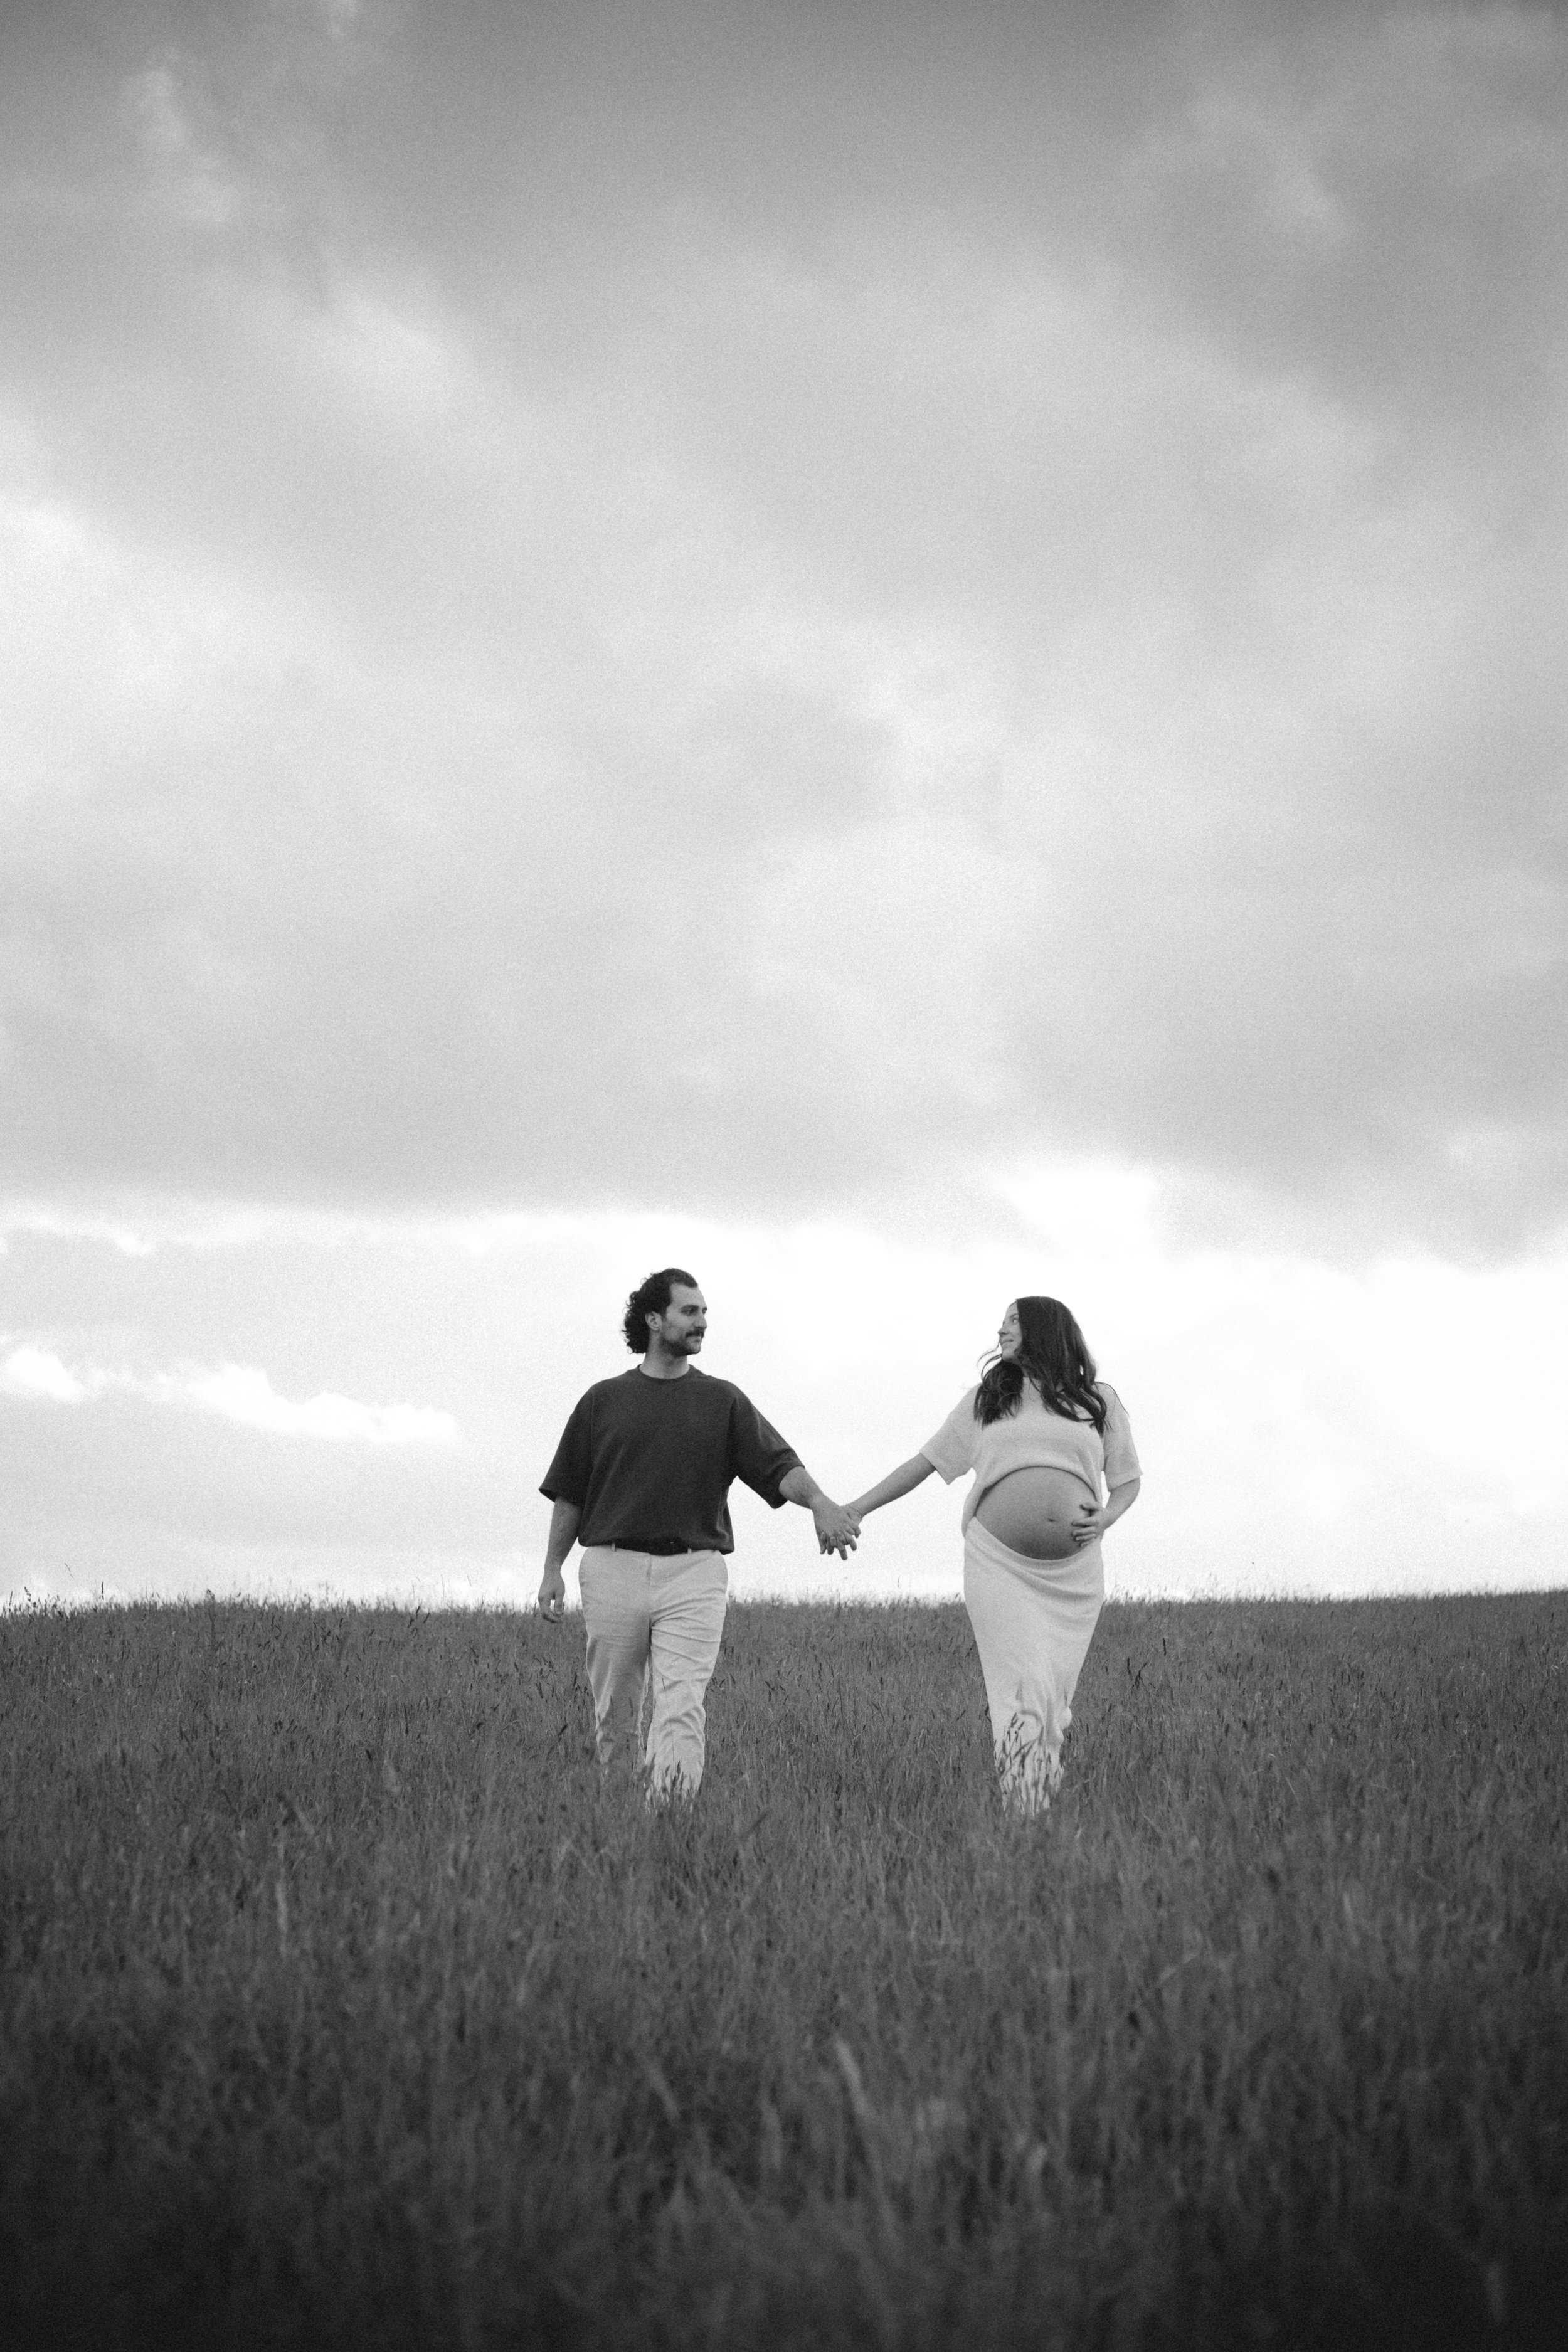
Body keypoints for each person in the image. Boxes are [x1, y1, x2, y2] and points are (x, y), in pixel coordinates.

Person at [535, 1268, 860, 1799]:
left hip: (695, 1571)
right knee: (615, 1714)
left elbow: (779, 1467)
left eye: (705, 1312)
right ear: (654, 1319)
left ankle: (668, 1823)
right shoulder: (602, 1401)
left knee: (681, 1705)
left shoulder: (722, 1401)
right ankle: (619, 1820)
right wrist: (552, 1567)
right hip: (612, 1567)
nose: (702, 1323)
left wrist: (819, 1503)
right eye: (690, 1312)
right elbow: (570, 1491)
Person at [846, 1296, 1140, 1813]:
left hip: (1075, 1577)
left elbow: (1127, 1482)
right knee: (1021, 1692)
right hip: (1000, 1565)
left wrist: (1108, 1517)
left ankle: (1040, 1817)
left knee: (1052, 1703)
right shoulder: (989, 1399)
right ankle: (1026, 1815)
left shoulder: (1099, 1401)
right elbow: (925, 1462)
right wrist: (858, 1508)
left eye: (1012, 1321)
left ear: (1043, 1330)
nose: (1000, 1330)